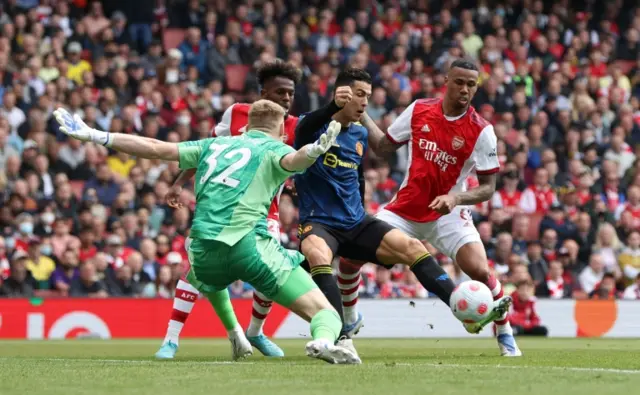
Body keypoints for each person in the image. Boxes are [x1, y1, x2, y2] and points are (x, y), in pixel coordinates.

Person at [53, 101, 360, 365]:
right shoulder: (274, 148)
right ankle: (322, 342)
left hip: (203, 254)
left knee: (207, 273)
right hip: (250, 249)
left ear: (244, 127)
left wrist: (96, 135)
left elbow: (155, 148)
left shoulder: (211, 145)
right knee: (327, 315)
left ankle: (237, 334)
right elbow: (295, 159)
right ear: (281, 131)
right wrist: (314, 150)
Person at [293, 67, 508, 358]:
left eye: (368, 96)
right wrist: (333, 106)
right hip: (319, 222)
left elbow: (357, 176)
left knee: (412, 248)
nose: (365, 102)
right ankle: (342, 335)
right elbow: (301, 132)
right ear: (341, 94)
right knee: (321, 258)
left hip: (355, 221)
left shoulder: (358, 134)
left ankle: (462, 309)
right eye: (360, 95)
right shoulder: (312, 124)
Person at [345, 59, 521, 356]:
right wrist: (360, 113)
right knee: (350, 259)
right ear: (446, 80)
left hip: (448, 214)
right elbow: (384, 148)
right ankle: (349, 320)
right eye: (459, 82)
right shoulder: (418, 110)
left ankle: (504, 332)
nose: (465, 89)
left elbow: (489, 188)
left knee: (480, 270)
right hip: (404, 209)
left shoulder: (482, 131)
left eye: (471, 84)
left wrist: (456, 198)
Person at [158, 60, 302, 359]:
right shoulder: (236, 113)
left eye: (290, 94)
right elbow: (207, 148)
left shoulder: (295, 126)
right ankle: (171, 339)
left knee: (270, 274)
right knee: (196, 271)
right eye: (280, 92)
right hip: (220, 208)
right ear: (263, 93)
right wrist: (180, 182)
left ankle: (255, 332)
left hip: (265, 211)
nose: (286, 99)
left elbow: (296, 164)